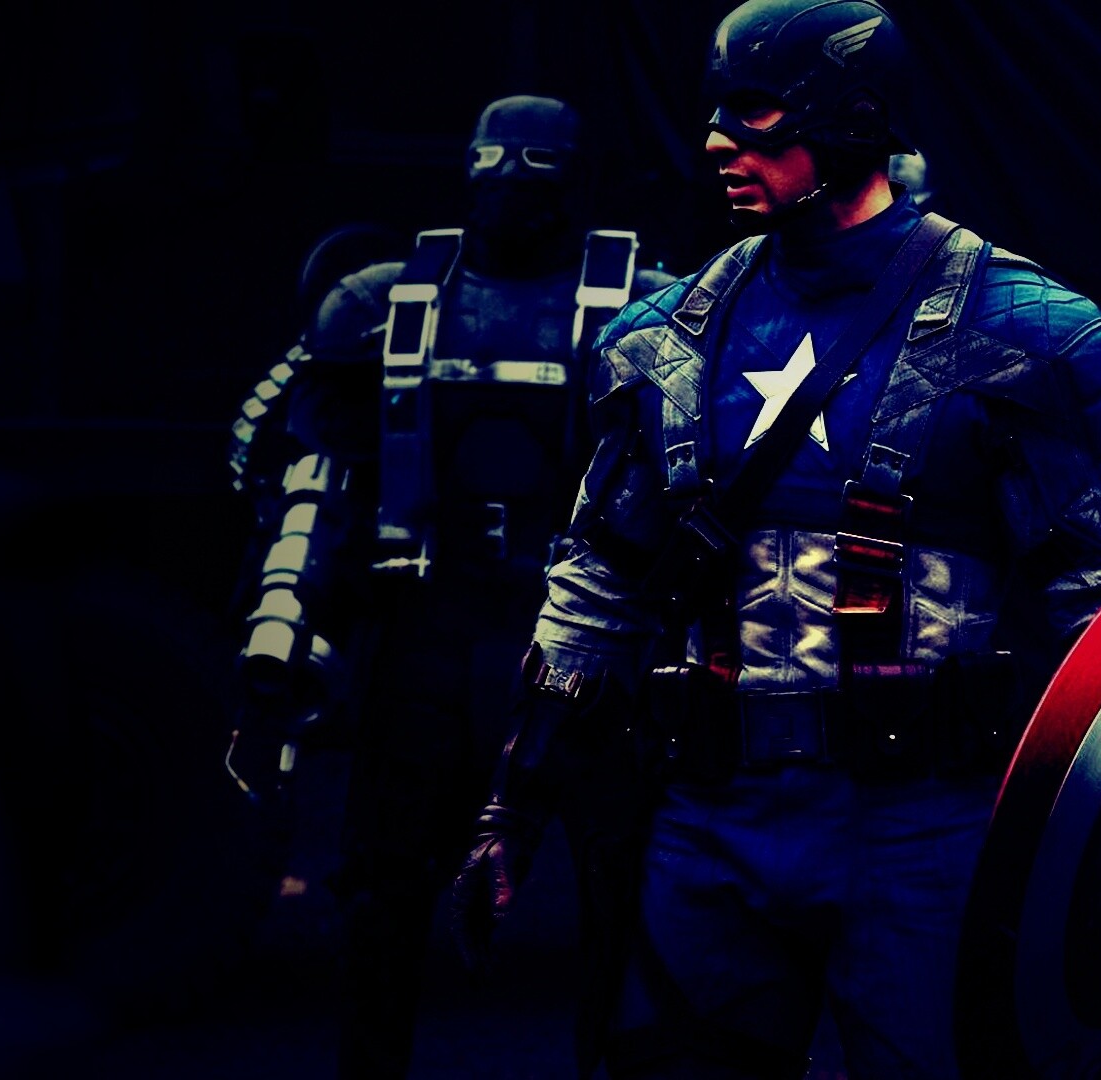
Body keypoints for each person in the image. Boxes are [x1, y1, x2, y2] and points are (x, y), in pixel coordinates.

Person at [447, 2, 1101, 1076]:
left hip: (924, 825)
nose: (716, 142)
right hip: (710, 816)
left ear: (855, 121)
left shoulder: (1032, 337)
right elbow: (598, 582)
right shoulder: (660, 340)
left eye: (756, 111)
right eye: (714, 113)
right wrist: (513, 808)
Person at [225, 94, 674, 1079]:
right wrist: (283, 626)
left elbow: (693, 487)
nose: (511, 182)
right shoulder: (385, 302)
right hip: (434, 622)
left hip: (583, 633)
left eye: (534, 164)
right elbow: (315, 477)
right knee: (383, 889)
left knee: (624, 889)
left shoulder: (647, 306)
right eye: (496, 161)